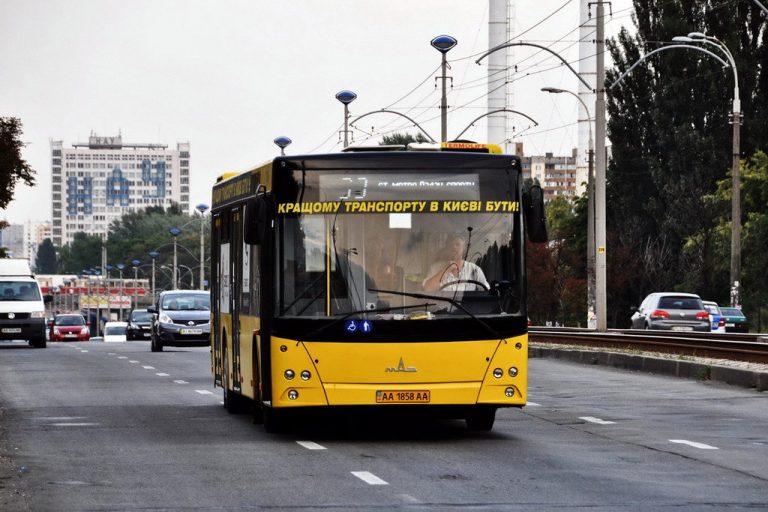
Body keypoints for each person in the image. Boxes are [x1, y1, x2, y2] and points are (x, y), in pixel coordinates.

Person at [423, 234, 489, 292]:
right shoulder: (435, 268)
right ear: (447, 248)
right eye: (450, 245)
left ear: (463, 249)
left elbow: (487, 292)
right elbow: (427, 289)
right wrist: (446, 269)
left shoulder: (474, 269)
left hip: (464, 306)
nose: (454, 247)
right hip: (440, 306)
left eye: (457, 244)